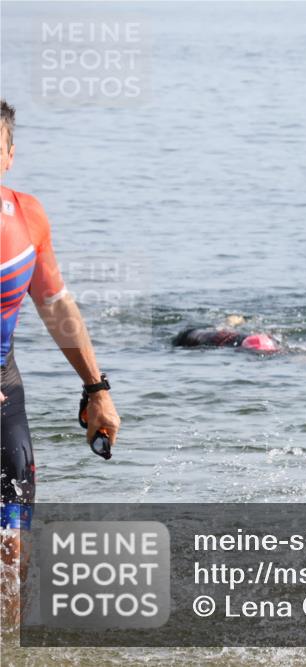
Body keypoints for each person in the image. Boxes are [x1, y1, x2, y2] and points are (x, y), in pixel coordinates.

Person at [0, 99, 121, 624]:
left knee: (12, 539)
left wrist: (97, 389)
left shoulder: (27, 216)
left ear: (8, 156)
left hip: (5, 388)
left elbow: (54, 304)